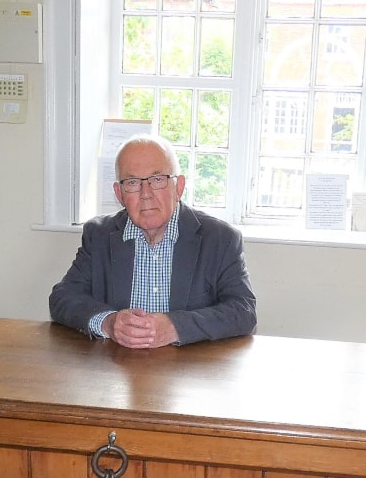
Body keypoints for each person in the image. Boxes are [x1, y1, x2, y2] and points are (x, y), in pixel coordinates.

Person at [49, 133, 256, 348]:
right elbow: (62, 298)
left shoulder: (219, 238)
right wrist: (109, 323)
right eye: (132, 182)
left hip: (189, 371)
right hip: (116, 369)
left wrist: (175, 326)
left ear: (179, 186)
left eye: (157, 180)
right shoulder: (99, 235)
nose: (145, 193)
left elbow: (243, 310)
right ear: (119, 194)